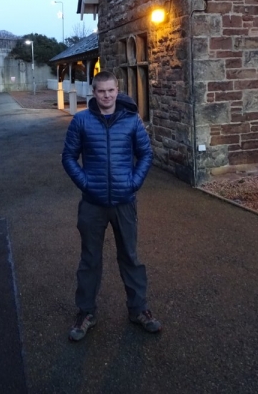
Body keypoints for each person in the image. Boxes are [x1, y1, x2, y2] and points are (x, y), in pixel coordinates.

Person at [62, 70, 161, 341]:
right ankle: (85, 313)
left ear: (118, 91)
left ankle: (138, 310)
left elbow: (145, 154)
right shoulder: (81, 121)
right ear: (93, 93)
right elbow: (69, 157)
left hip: (124, 202)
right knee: (89, 259)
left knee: (130, 257)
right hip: (92, 204)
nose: (106, 95)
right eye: (101, 91)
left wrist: (133, 183)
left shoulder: (131, 121)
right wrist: (86, 184)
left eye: (111, 90)